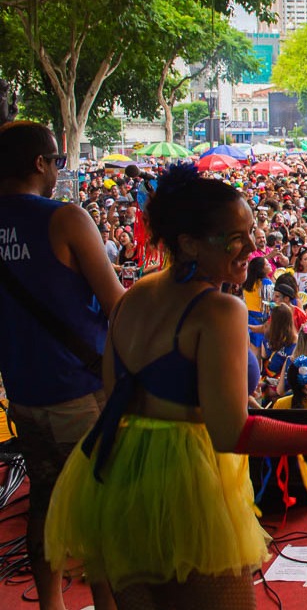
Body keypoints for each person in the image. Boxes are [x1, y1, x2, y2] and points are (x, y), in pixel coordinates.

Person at [44, 163, 307, 608]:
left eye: (252, 231)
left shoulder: (131, 296)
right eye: (236, 237)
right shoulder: (219, 311)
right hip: (187, 490)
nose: (254, 247)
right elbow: (233, 431)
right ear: (189, 243)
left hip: (118, 483)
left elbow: (117, 393)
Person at [0, 121, 124, 610]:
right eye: (58, 160)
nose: (59, 170)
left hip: (24, 394)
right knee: (100, 508)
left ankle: (52, 603)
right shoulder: (65, 219)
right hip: (79, 390)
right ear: (39, 164)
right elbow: (117, 303)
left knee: (46, 502)